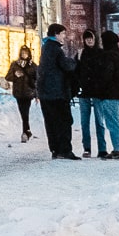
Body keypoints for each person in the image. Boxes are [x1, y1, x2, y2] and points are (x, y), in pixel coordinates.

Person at [81, 30, 119, 160]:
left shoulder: (108, 56)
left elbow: (105, 77)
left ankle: (118, 150)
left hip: (110, 95)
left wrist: (99, 89)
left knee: (113, 123)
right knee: (116, 122)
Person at [37, 27, 78, 159]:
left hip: (45, 93)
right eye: (63, 34)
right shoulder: (55, 49)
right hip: (57, 92)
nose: (64, 36)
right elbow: (67, 66)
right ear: (56, 34)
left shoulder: (45, 48)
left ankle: (55, 149)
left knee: (51, 122)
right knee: (64, 121)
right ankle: (65, 150)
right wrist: (75, 61)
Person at [8, 48, 38, 140]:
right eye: (22, 53)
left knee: (25, 112)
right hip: (18, 92)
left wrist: (37, 94)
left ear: (29, 54)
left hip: (28, 92)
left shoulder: (32, 65)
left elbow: (37, 79)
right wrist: (15, 75)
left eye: (26, 53)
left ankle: (25, 132)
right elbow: (7, 76)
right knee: (23, 112)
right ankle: (27, 131)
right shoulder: (15, 64)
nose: (24, 55)